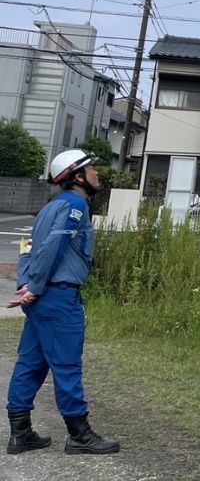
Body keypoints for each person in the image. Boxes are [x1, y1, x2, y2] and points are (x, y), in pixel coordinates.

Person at [6, 148, 120, 456]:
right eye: (91, 168)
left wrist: (26, 285)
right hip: (58, 297)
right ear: (78, 176)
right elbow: (55, 246)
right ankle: (79, 434)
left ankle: (20, 433)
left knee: (31, 362)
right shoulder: (75, 207)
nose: (98, 173)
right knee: (67, 364)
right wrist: (37, 286)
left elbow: (29, 246)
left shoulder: (48, 208)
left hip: (42, 297)